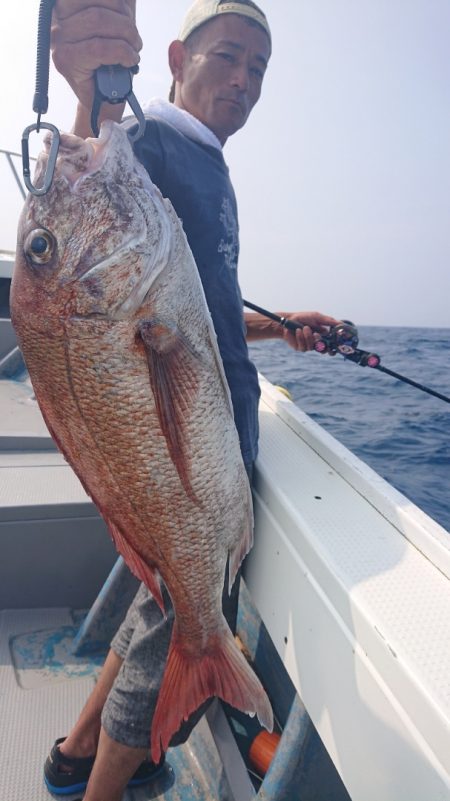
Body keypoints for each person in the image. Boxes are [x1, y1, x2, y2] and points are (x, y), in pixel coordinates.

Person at [43, 2, 340, 799]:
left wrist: (281, 332)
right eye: (228, 58)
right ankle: (105, 781)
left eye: (259, 69)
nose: (244, 80)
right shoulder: (158, 142)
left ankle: (73, 754)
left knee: (155, 607)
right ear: (177, 57)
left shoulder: (207, 161)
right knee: (171, 640)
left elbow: (197, 317)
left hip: (183, 464)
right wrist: (93, 81)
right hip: (186, 468)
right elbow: (92, 170)